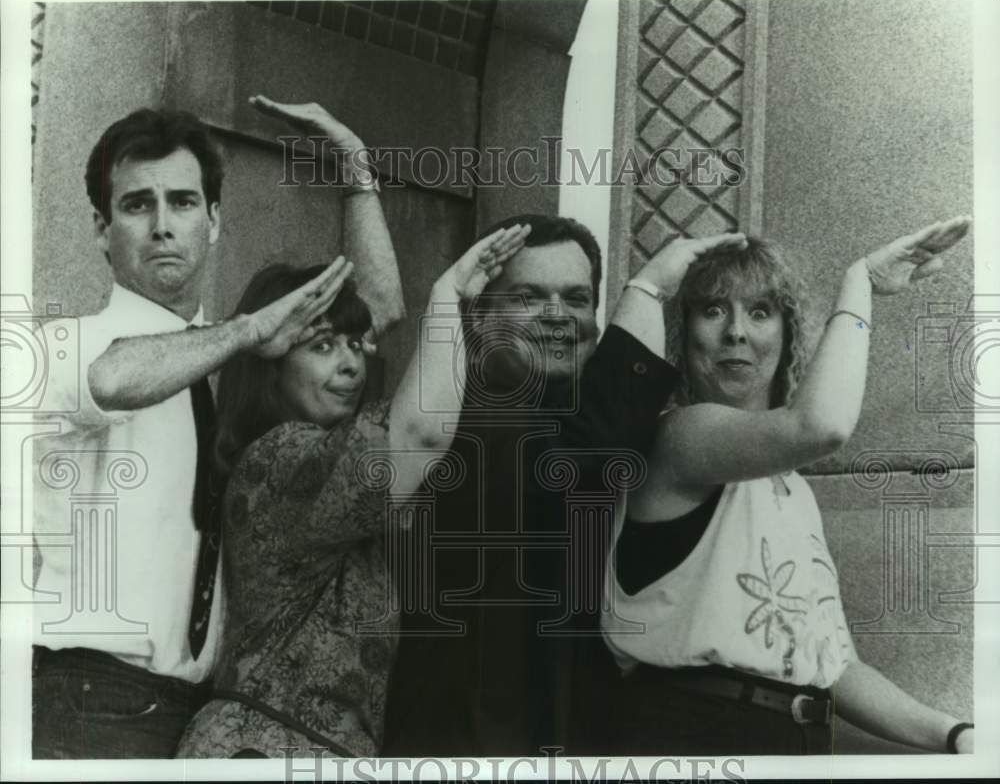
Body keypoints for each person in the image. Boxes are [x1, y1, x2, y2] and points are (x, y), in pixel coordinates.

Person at [31, 97, 401, 759]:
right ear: (99, 227)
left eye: (182, 202)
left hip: (194, 714)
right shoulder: (68, 342)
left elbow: (372, 311)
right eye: (137, 205)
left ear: (215, 219)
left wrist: (356, 173)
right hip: (92, 700)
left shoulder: (216, 364)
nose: (163, 225)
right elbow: (113, 378)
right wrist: (246, 332)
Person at [601, 219, 976, 755]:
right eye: (712, 309)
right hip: (693, 736)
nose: (735, 331)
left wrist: (955, 733)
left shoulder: (791, 490)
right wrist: (861, 281)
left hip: (792, 741)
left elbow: (834, 665)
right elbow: (820, 426)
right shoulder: (679, 436)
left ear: (787, 332)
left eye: (759, 312)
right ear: (684, 336)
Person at [382, 215, 748, 756]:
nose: (557, 316)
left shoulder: (576, 417)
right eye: (528, 297)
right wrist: (647, 291)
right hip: (471, 745)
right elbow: (580, 449)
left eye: (577, 299)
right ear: (480, 318)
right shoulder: (472, 418)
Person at [174, 223, 530, 759]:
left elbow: (404, 383)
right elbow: (421, 432)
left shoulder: (321, 453)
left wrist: (358, 173)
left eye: (355, 345)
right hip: (264, 753)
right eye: (321, 346)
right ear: (270, 369)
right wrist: (447, 295)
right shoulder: (282, 459)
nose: (350, 364)